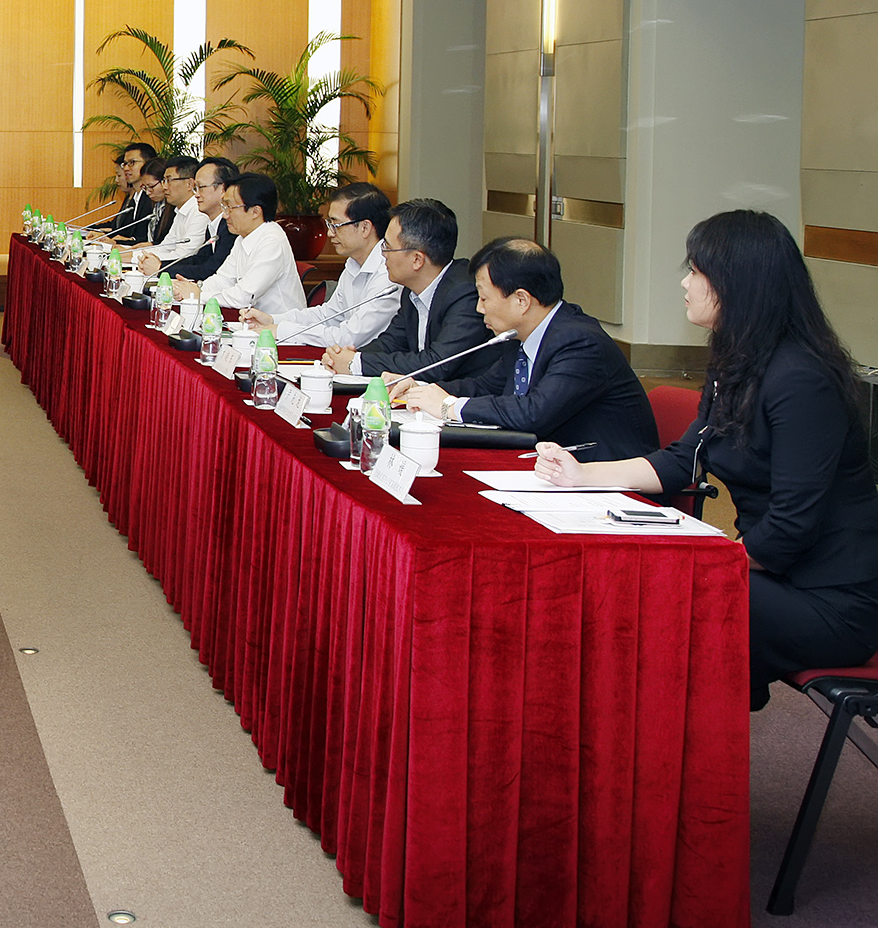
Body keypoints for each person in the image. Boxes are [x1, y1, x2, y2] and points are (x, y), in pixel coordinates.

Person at [535, 210, 878, 710]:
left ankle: (668, 742)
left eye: (696, 271)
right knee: (644, 583)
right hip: (770, 575)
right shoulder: (737, 361)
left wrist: (708, 560)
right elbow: (684, 459)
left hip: (829, 598)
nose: (684, 282)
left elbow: (791, 526)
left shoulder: (801, 380)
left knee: (661, 594)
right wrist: (581, 475)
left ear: (739, 284)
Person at [397, 237, 658, 457]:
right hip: (550, 467)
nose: (479, 308)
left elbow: (533, 413)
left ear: (521, 300)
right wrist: (422, 389)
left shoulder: (580, 343)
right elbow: (485, 386)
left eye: (484, 298)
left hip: (605, 479)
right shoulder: (520, 336)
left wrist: (449, 407)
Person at [322, 198, 491, 381]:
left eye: (387, 247)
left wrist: (358, 363)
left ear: (417, 260)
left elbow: (437, 364)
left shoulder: (465, 294)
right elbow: (390, 343)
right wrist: (346, 357)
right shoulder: (411, 290)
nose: (382, 255)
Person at [241, 182, 399, 348]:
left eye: (336, 225)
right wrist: (272, 319)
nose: (330, 233)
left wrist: (282, 330)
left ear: (365, 228)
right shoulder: (353, 264)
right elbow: (329, 315)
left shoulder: (388, 275)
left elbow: (349, 338)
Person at [164, 172, 306, 316]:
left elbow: (244, 297)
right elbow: (223, 280)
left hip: (281, 325)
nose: (225, 215)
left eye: (229, 207)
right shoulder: (243, 238)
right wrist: (193, 289)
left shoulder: (272, 241)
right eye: (224, 206)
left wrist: (198, 295)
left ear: (255, 211)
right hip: (252, 321)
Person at [141, 156, 240, 280]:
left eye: (201, 188)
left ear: (223, 189)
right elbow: (199, 260)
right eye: (195, 188)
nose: (196, 194)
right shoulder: (214, 224)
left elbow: (210, 269)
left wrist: (160, 268)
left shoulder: (232, 227)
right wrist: (161, 267)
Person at [92, 143, 158, 244]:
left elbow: (143, 238)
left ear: (148, 164)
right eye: (125, 164)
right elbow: (123, 232)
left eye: (132, 163)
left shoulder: (152, 197)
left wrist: (115, 241)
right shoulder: (135, 197)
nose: (126, 168)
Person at [144, 156, 205, 259]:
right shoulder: (180, 211)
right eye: (164, 181)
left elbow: (183, 255)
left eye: (169, 180)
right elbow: (164, 248)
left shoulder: (199, 211)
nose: (164, 187)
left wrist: (134, 257)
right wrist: (129, 254)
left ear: (190, 184)